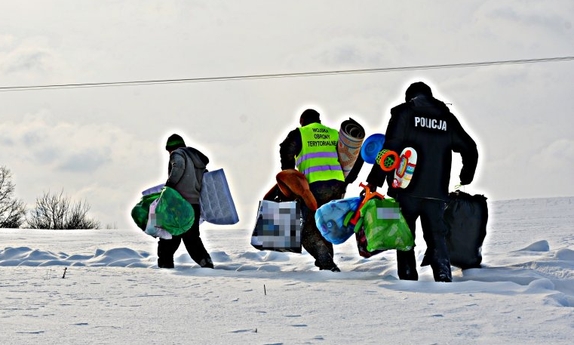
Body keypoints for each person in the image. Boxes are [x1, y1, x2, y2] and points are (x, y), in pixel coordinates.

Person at [366, 82, 478, 282]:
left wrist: (374, 180)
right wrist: (465, 176)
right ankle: (443, 276)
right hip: (436, 192)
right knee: (437, 237)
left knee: (405, 236)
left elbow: (389, 151)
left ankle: (409, 278)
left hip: (406, 190)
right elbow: (470, 147)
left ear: (410, 97)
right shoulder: (447, 118)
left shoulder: (404, 113)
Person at [279, 108, 349, 272]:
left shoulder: (301, 133)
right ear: (319, 120)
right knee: (325, 224)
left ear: (302, 120)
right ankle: (327, 265)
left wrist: (289, 177)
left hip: (314, 187)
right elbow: (353, 155)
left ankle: (326, 262)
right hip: (337, 186)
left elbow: (285, 149)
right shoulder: (333, 133)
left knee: (307, 231)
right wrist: (346, 181)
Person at [157, 133, 214, 269]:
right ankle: (206, 264)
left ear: (170, 148)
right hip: (193, 204)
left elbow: (178, 167)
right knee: (191, 238)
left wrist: (168, 186)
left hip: (178, 204)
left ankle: (165, 267)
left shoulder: (177, 154)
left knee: (169, 237)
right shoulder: (196, 160)